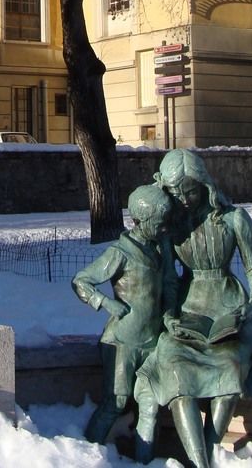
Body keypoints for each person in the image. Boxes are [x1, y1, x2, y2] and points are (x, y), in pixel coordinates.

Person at [134, 150, 252, 468]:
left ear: (205, 185)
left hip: (229, 308)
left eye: (191, 192)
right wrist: (169, 315)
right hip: (187, 312)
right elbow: (169, 279)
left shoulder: (234, 219)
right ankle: (200, 464)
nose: (184, 200)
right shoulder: (170, 226)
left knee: (230, 371)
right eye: (176, 194)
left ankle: (208, 454)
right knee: (176, 373)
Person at [72, 183, 176, 461]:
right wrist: (106, 303)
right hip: (122, 342)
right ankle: (84, 458)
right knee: (115, 402)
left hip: (151, 341)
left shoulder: (158, 250)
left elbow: (168, 285)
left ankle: (145, 462)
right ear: (141, 221)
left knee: (150, 405)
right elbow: (81, 281)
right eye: (159, 224)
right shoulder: (120, 252)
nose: (164, 229)